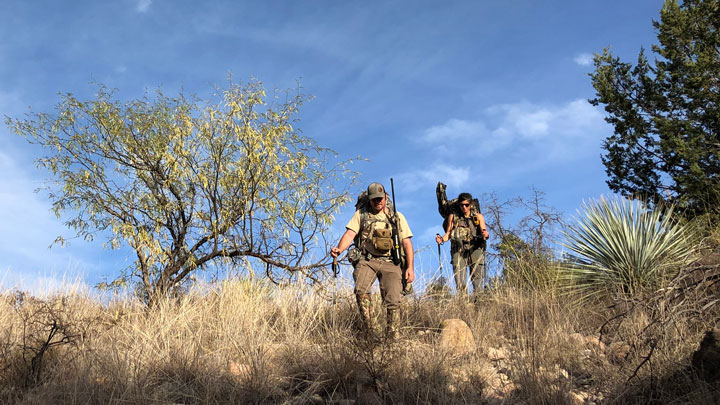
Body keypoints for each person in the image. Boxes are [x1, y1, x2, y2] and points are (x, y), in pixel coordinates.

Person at [330, 182, 414, 338]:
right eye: (374, 199)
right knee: (361, 291)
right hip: (367, 260)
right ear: (369, 199)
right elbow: (350, 234)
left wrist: (410, 268)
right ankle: (371, 331)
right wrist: (339, 249)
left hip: (390, 261)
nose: (378, 202)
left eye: (381, 198)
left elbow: (407, 243)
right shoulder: (361, 214)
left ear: (386, 197)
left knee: (394, 300)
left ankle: (392, 337)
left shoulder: (396, 216)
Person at [435, 192, 489, 296]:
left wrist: (484, 234)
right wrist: (441, 239)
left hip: (475, 248)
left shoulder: (478, 217)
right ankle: (463, 303)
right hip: (458, 249)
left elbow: (484, 231)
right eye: (461, 205)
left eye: (466, 205)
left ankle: (479, 303)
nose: (464, 207)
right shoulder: (453, 217)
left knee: (477, 281)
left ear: (471, 205)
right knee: (460, 281)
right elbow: (448, 233)